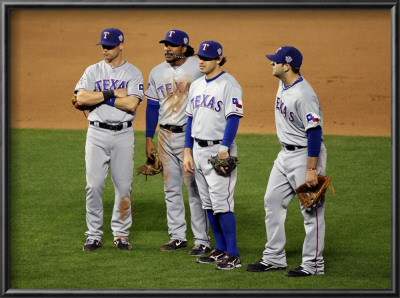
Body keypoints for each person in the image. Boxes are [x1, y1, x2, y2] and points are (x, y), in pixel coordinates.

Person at [246, 46, 327, 277]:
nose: (271, 63)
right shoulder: (283, 82)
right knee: (272, 200)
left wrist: (311, 169)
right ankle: (273, 257)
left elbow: (315, 132)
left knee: (311, 211)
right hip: (284, 155)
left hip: (305, 156)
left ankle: (313, 265)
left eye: (276, 61)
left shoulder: (304, 95)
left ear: (287, 65)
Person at [74, 28, 144, 251]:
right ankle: (93, 234)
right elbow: (80, 98)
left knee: (124, 187)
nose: (106, 49)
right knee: (93, 186)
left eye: (110, 46)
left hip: (124, 134)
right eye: (103, 45)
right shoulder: (93, 70)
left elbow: (132, 104)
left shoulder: (133, 73)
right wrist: (112, 94)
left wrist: (96, 99)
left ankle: (121, 234)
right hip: (96, 134)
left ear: (121, 46)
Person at [144, 29, 211, 256]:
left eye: (172, 45)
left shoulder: (198, 67)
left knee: (194, 189)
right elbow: (152, 106)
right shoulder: (156, 71)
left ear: (184, 48)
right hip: (164, 136)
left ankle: (202, 240)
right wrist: (148, 138)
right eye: (165, 44)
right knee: (170, 189)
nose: (167, 49)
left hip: (189, 138)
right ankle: (178, 237)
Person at [183, 41, 244, 270]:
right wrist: (187, 150)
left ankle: (233, 254)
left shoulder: (230, 85)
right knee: (208, 204)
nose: (201, 61)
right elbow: (190, 118)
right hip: (197, 150)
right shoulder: (197, 85)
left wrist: (225, 147)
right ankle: (219, 250)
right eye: (200, 56)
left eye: (206, 58)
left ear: (219, 59)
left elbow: (234, 117)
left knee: (222, 204)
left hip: (218, 150)